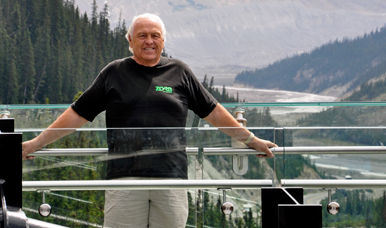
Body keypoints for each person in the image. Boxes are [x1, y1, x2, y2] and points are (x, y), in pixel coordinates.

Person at [22, 13, 276, 228]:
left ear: (163, 41)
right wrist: (36, 143)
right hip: (125, 179)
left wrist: (251, 140)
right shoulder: (114, 72)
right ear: (130, 41)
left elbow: (213, 112)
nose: (149, 41)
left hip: (171, 178)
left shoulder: (180, 72)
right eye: (142, 35)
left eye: (155, 35)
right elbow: (77, 113)